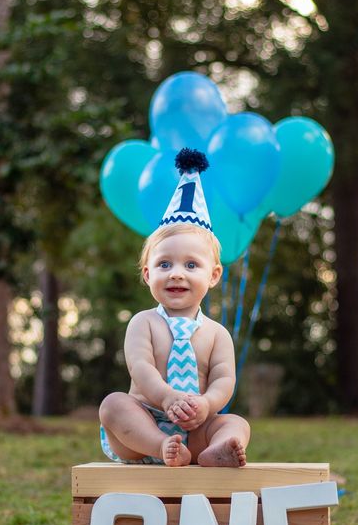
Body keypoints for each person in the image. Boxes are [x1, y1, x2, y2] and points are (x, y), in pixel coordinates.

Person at [99, 149, 250, 467]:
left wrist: (207, 405)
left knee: (236, 423)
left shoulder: (216, 333)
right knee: (113, 405)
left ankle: (216, 450)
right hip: (143, 427)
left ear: (213, 275)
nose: (176, 273)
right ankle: (163, 446)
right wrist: (167, 398)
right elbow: (140, 368)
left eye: (191, 264)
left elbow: (224, 378)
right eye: (164, 264)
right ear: (148, 274)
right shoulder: (144, 323)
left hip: (197, 426)